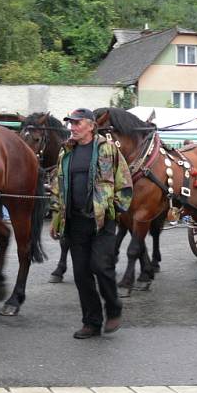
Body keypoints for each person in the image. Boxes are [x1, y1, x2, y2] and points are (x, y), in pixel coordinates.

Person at [50, 108, 133, 339]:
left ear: (90, 125)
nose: (73, 128)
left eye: (77, 123)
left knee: (100, 266)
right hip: (75, 222)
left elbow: (124, 183)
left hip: (101, 220)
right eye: (71, 124)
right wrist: (57, 219)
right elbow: (58, 187)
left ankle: (114, 308)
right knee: (80, 274)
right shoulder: (66, 152)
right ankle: (92, 322)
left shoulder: (107, 149)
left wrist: (113, 210)